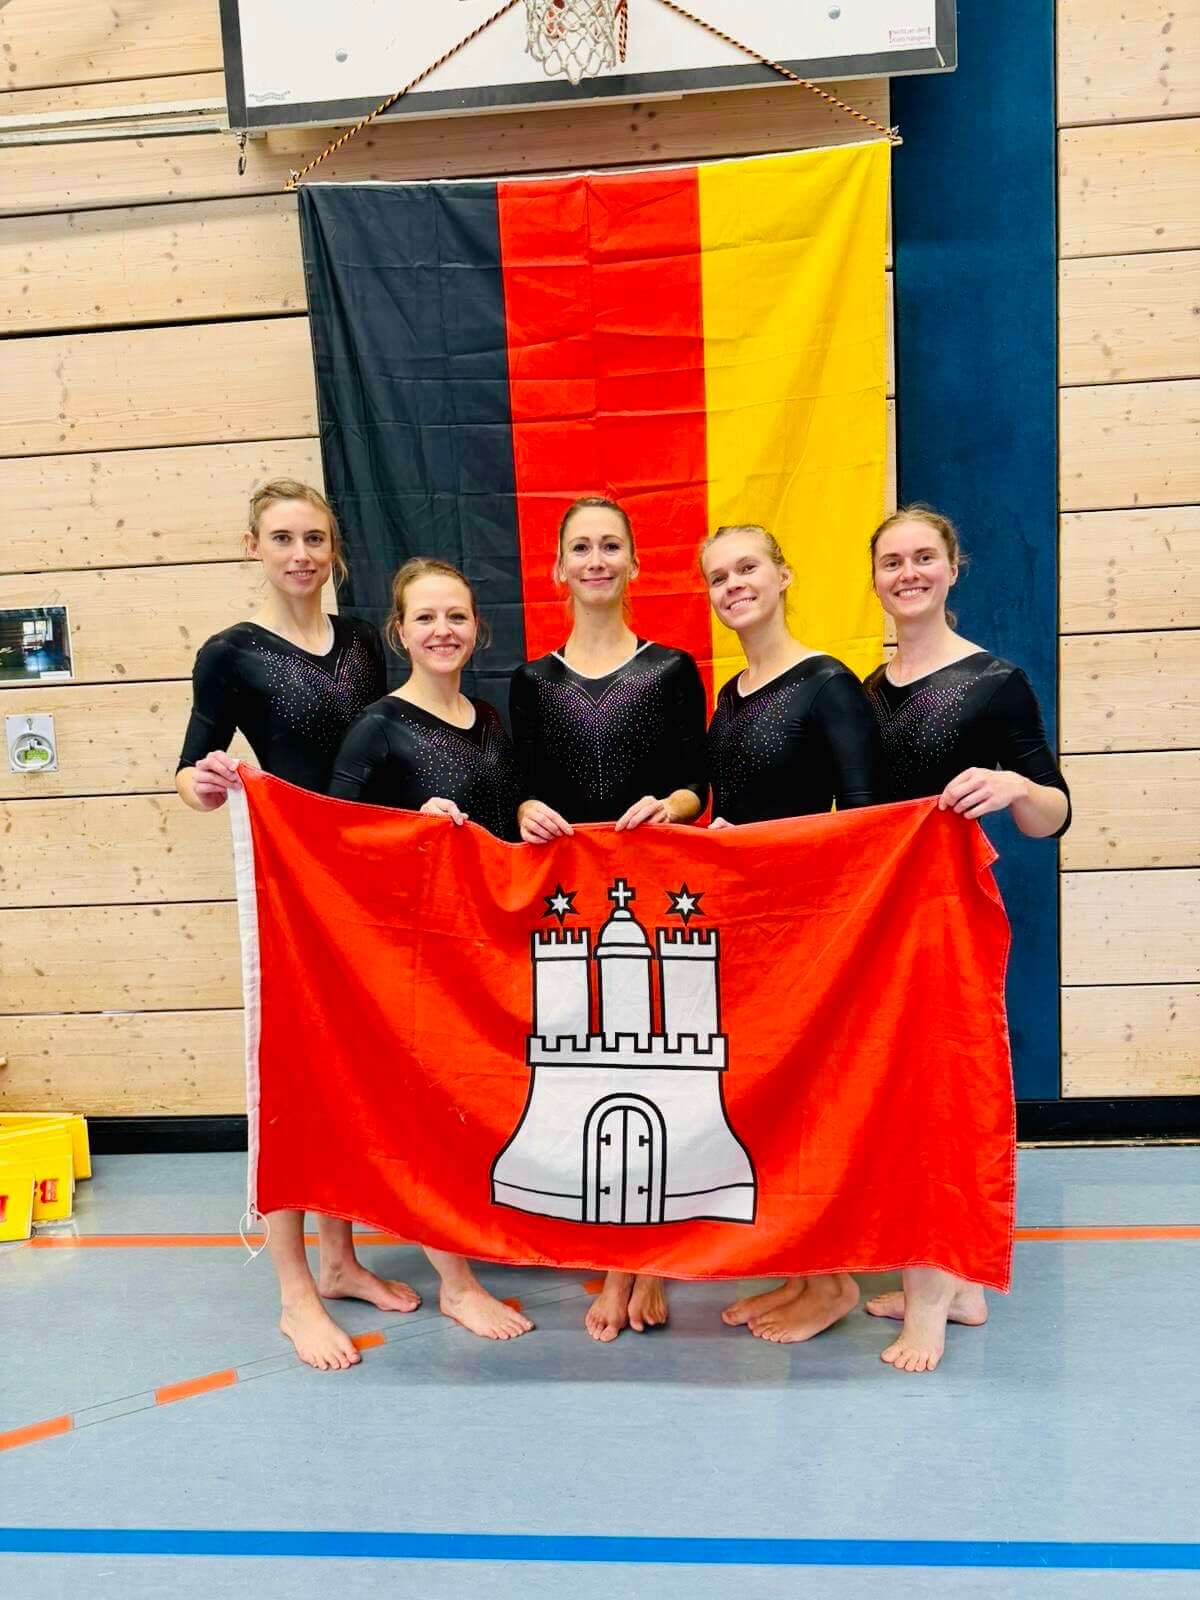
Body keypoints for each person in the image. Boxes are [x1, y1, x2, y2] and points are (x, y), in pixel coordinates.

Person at [176, 478, 420, 1372]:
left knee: (351, 1069)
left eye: (315, 537)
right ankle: (293, 1289)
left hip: (362, 885)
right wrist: (203, 784)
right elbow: (191, 764)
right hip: (290, 885)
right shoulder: (231, 652)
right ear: (255, 547)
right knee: (290, 1077)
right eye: (283, 537)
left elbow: (389, 747)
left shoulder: (361, 641)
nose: (302, 553)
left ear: (336, 548)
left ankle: (343, 1257)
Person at [862, 504, 1070, 1373]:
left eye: (923, 558)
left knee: (944, 1099)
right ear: (874, 577)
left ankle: (932, 1300)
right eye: (891, 561)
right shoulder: (863, 692)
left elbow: (1053, 814)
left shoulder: (995, 680)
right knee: (893, 1103)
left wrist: (1011, 778)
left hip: (947, 919)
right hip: (876, 923)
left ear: (953, 568)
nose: (907, 573)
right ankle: (957, 1278)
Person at [509, 496, 707, 1342]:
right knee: (587, 1065)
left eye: (611, 546)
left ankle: (649, 1260)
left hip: (655, 886)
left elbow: (702, 780)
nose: (596, 559)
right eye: (581, 547)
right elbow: (513, 782)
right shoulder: (531, 680)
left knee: (657, 1060)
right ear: (557, 569)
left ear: (635, 565)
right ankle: (609, 1246)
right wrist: (522, 809)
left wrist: (675, 803)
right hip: (567, 895)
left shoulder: (670, 670)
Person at [329, 557, 532, 1341]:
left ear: (477, 628)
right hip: (410, 953)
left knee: (479, 1102)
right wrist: (407, 831)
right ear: (400, 631)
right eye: (426, 618)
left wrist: (533, 816)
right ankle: (453, 1280)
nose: (443, 630)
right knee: (432, 1113)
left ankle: (473, 1239)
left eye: (457, 616)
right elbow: (332, 835)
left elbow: (505, 819)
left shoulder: (487, 720)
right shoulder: (379, 725)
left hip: (484, 945)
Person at [701, 522, 882, 1343]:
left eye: (747, 568)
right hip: (748, 930)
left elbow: (869, 821)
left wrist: (760, 846)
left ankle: (833, 1278)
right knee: (765, 1102)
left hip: (813, 928)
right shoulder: (729, 696)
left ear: (784, 575)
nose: (733, 584)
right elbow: (731, 811)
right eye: (718, 576)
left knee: (812, 1101)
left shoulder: (828, 683)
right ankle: (805, 1271)